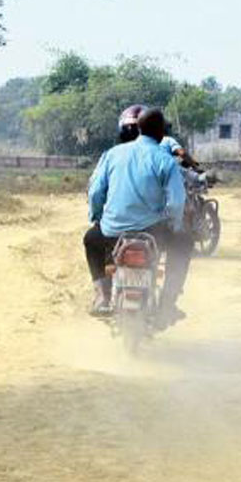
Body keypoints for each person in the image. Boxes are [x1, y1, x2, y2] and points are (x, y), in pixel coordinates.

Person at [84, 108, 194, 327]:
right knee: (184, 243)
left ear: (139, 128)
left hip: (113, 232)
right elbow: (176, 202)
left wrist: (97, 217)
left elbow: (96, 192)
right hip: (153, 232)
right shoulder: (165, 159)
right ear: (162, 132)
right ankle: (168, 303)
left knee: (90, 240)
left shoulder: (112, 154)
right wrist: (175, 224)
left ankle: (102, 296)